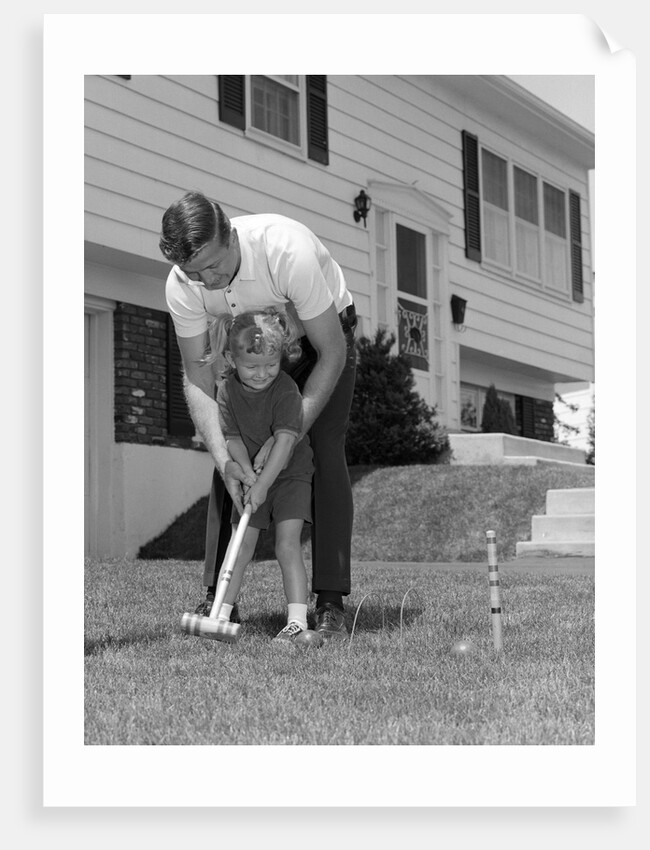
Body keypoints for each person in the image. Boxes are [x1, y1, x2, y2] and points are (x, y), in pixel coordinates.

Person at [159, 191, 357, 639]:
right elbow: (198, 377)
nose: (206, 280)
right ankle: (220, 598)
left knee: (321, 451)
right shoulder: (182, 285)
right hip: (249, 353)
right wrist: (225, 455)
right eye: (193, 272)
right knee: (230, 449)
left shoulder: (286, 252)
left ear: (231, 236)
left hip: (318, 344)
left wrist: (285, 441)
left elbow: (332, 353)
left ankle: (328, 601)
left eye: (213, 266)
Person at [205, 309, 314, 640]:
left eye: (271, 364)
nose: (262, 374)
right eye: (252, 366)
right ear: (231, 358)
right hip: (253, 475)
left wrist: (264, 483)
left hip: (290, 474)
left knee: (286, 545)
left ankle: (297, 620)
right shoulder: (226, 391)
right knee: (240, 547)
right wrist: (249, 475)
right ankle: (220, 616)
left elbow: (285, 440)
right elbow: (232, 438)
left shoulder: (285, 389)